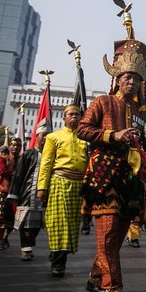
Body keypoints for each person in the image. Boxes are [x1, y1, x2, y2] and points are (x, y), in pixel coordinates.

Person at [77, 36, 146, 292]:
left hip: (133, 180)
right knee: (108, 233)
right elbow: (82, 129)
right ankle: (110, 286)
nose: (132, 82)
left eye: (137, 79)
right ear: (118, 78)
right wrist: (112, 136)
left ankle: (95, 277)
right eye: (127, 77)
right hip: (105, 176)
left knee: (117, 235)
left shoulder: (143, 114)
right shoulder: (103, 102)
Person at [37, 106, 88, 277]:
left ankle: (58, 255)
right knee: (59, 223)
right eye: (71, 114)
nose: (74, 117)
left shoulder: (85, 138)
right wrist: (42, 187)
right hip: (59, 181)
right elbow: (45, 163)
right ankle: (58, 262)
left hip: (78, 184)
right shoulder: (53, 137)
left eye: (77, 114)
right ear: (64, 118)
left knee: (72, 225)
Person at [8, 123, 50, 261]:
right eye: (43, 135)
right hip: (27, 193)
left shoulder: (51, 155)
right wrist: (14, 194)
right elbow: (18, 175)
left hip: (44, 195)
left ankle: (29, 245)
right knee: (26, 223)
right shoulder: (28, 154)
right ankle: (25, 249)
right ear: (37, 136)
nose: (45, 138)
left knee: (37, 224)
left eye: (48, 135)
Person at [0, 138, 22, 250]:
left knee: (13, 218)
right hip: (4, 191)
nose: (15, 147)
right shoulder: (3, 158)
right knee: (1, 218)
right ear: (9, 146)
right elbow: (2, 171)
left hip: (16, 191)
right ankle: (1, 240)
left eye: (18, 145)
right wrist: (16, 173)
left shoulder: (22, 160)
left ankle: (5, 236)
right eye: (13, 145)